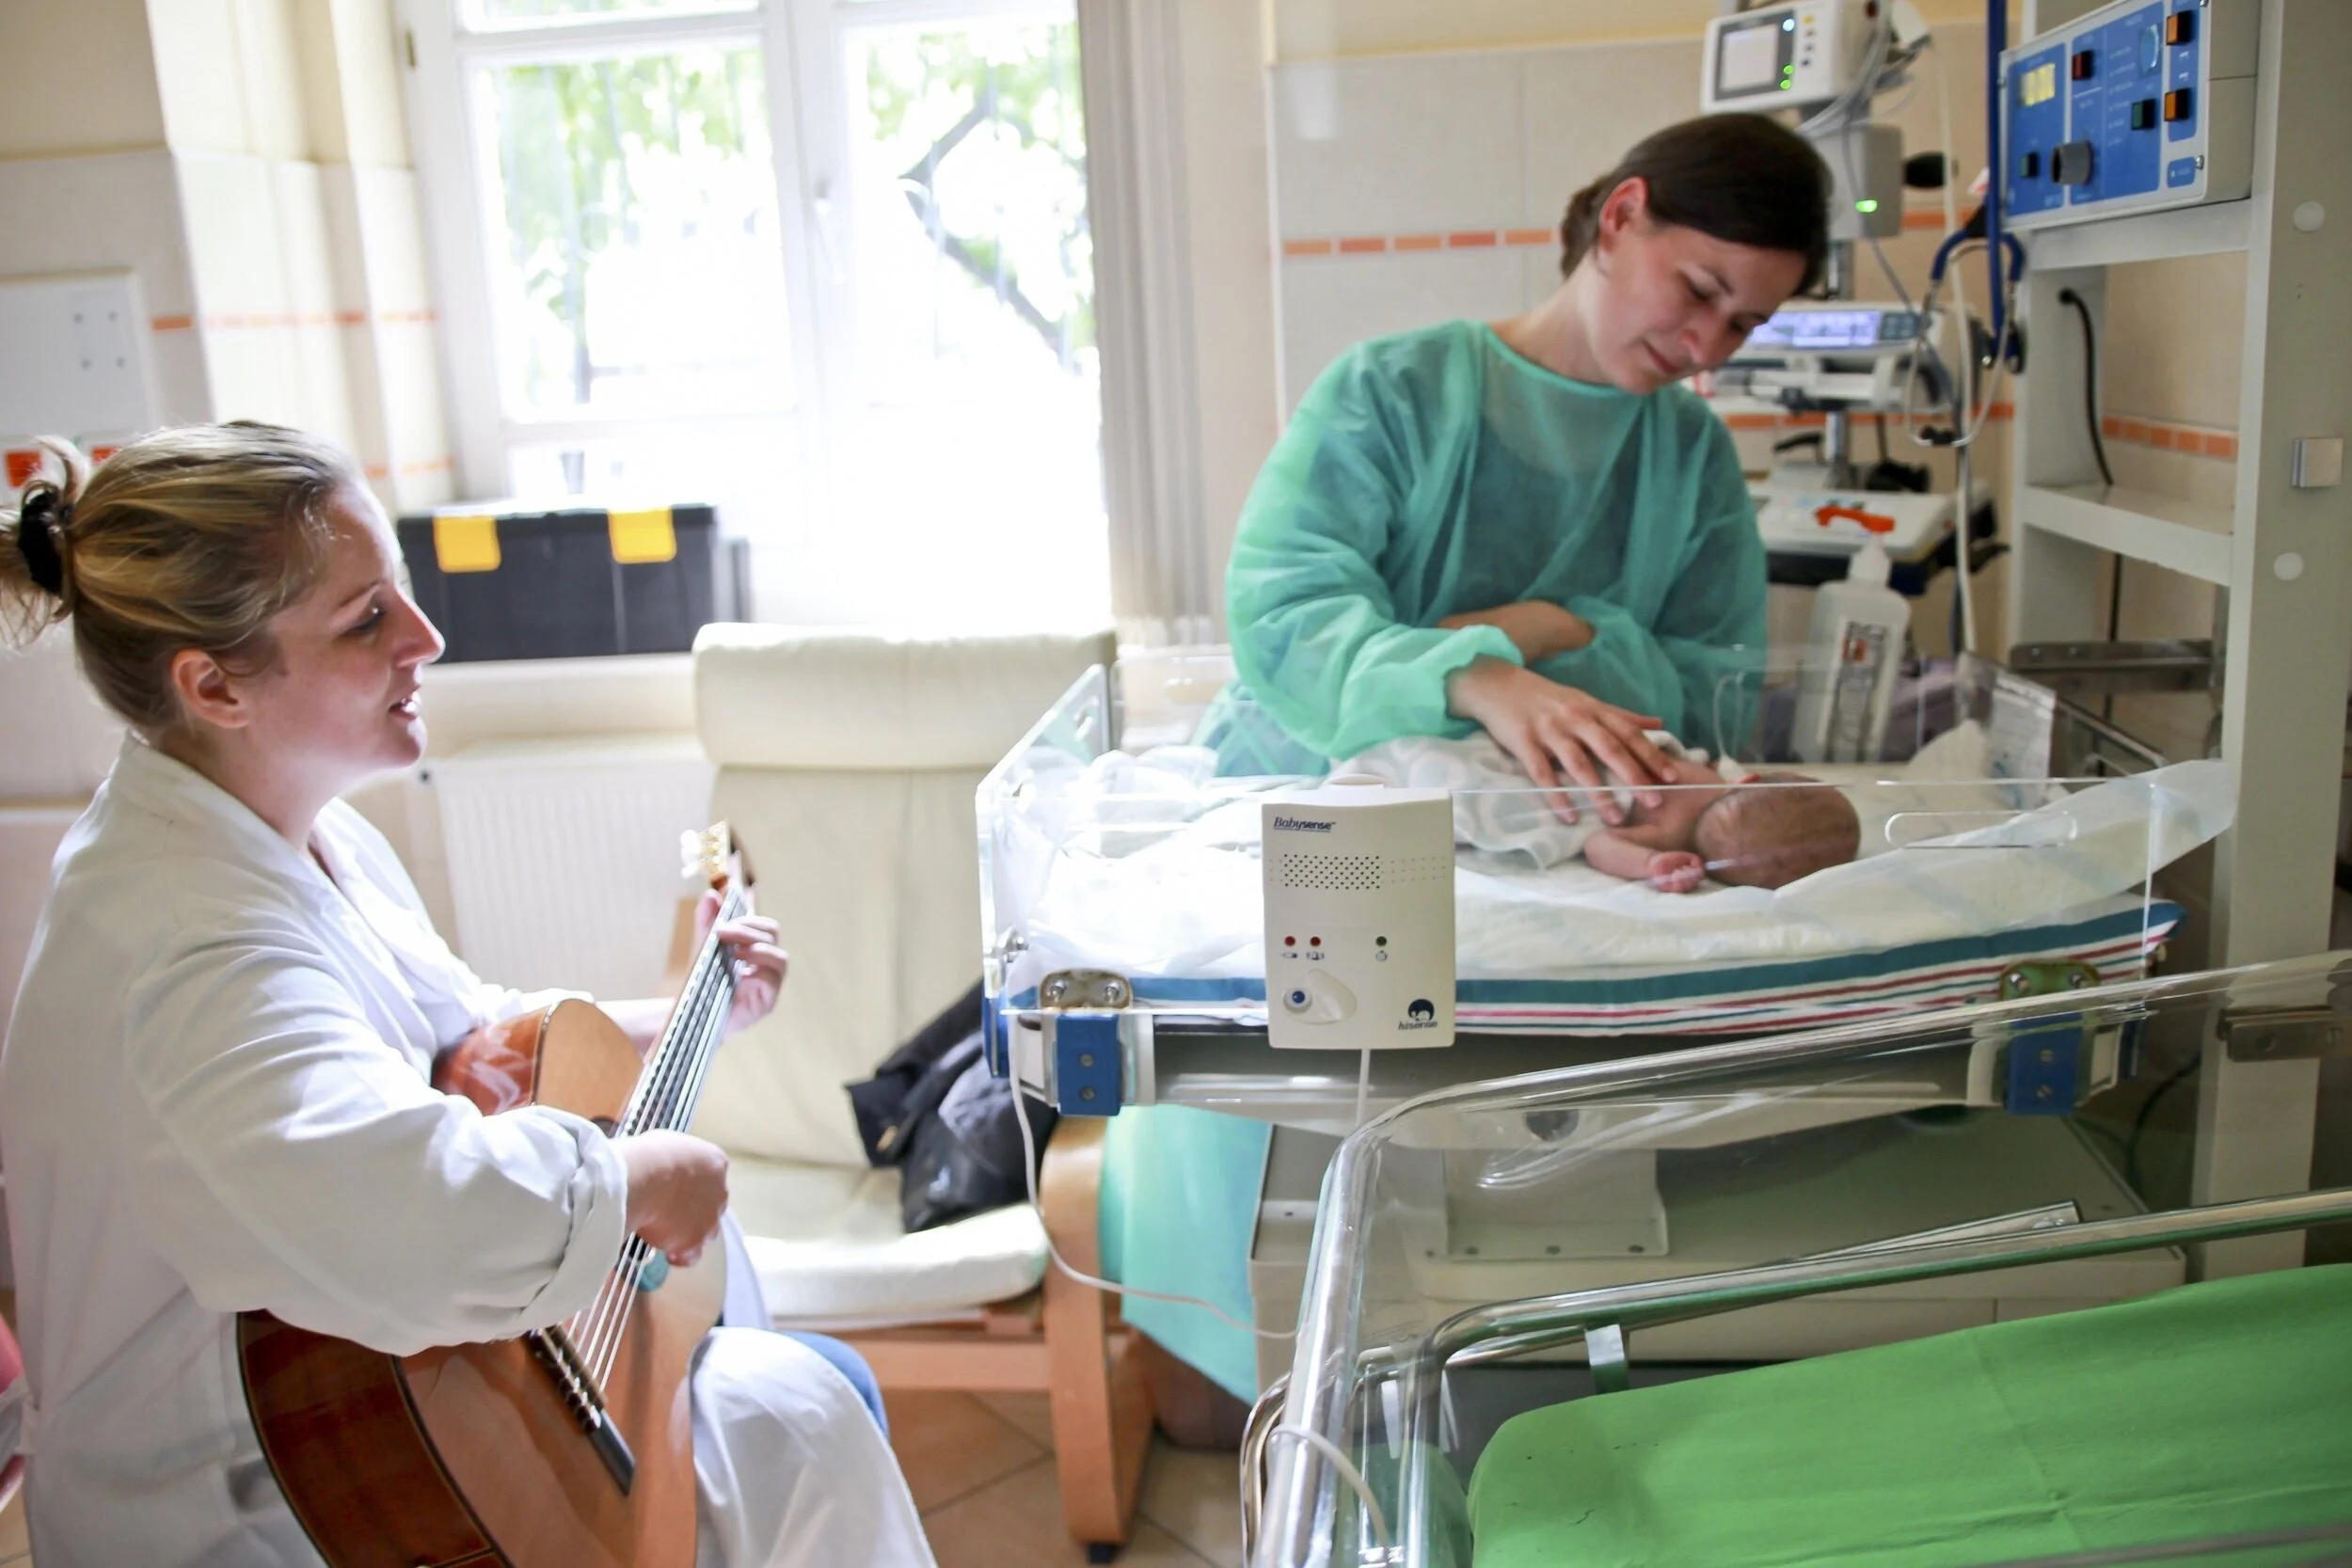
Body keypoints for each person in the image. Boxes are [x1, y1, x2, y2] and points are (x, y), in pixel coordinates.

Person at [0, 425, 935, 1568]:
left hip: (387, 1407)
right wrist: (636, 1178)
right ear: (214, 684)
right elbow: (410, 1209)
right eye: (366, 618)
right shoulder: (184, 949)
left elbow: (458, 1031)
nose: (427, 637)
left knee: (800, 1401)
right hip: (267, 1500)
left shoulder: (292, 826)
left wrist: (694, 1010)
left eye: (398, 590)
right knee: (810, 1415)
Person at [1119, 115, 1836, 1404]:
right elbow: (1286, 623)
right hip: (1328, 804)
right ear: (1619, 217)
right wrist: (1487, 672)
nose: (1706, 349)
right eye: (1698, 291)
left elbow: (1711, 690)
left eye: (1745, 325)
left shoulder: (1687, 462)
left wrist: (1522, 630)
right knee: (1312, 1226)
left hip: (1550, 844)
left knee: (1517, 1231)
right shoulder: (1394, 393)